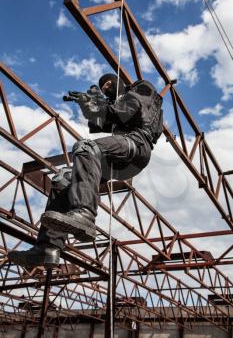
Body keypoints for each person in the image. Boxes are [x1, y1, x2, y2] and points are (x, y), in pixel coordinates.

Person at [8, 74, 163, 268]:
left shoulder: (141, 88)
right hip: (118, 158)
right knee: (63, 179)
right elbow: (99, 122)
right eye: (102, 87)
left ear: (119, 84)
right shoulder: (117, 103)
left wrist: (99, 105)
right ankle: (47, 248)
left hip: (136, 146)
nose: (105, 88)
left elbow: (124, 111)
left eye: (108, 84)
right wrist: (87, 106)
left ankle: (85, 214)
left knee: (85, 147)